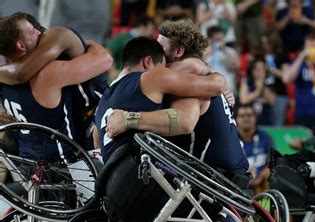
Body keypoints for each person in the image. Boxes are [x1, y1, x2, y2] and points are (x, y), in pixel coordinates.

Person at [106, 19, 249, 185]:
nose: (156, 52)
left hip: (215, 180)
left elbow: (185, 122)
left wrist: (129, 119)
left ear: (179, 51)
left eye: (161, 47)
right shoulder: (199, 76)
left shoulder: (187, 71)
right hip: (235, 174)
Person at [96, 36, 226, 162]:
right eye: (165, 67)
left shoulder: (102, 103)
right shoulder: (152, 76)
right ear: (148, 62)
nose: (168, 71)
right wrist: (205, 69)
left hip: (110, 179)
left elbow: (96, 139)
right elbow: (216, 86)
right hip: (139, 173)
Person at [0, 12, 112, 156]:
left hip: (28, 161)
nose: (39, 32)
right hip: (65, 165)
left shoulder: (4, 81)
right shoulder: (47, 73)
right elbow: (105, 60)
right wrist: (90, 44)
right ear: (20, 45)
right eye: (33, 31)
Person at [236, 104, 273, 194]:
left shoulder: (265, 138)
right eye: (242, 115)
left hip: (262, 185)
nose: (246, 118)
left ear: (255, 118)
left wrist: (264, 173)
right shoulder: (231, 140)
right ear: (236, 119)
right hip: (239, 185)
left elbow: (272, 162)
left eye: (249, 115)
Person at [239, 56, 277, 125]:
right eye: (257, 69)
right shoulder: (247, 83)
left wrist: (262, 86)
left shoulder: (269, 84)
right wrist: (258, 91)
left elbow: (272, 101)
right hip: (249, 122)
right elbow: (243, 100)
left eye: (262, 69)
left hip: (266, 121)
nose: (260, 71)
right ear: (252, 70)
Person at [204, 25, 240, 95]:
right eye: (217, 39)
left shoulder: (230, 51)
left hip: (229, 91)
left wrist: (224, 50)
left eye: (222, 39)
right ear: (210, 39)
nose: (220, 42)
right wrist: (209, 51)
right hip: (209, 91)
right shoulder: (205, 52)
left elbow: (236, 65)